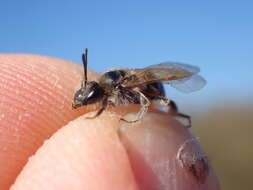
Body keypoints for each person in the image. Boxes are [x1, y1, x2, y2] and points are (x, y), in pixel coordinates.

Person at [0, 54, 219, 190]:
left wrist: (143, 111)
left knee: (163, 101)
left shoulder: (121, 86)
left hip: (150, 91)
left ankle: (174, 115)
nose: (86, 99)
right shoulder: (103, 88)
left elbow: (143, 97)